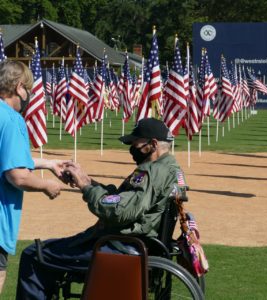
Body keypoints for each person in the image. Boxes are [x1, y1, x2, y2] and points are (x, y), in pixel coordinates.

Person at [16, 117, 188, 299]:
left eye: (135, 143)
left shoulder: (151, 172)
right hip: (136, 243)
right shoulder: (170, 168)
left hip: (121, 246)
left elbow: (120, 212)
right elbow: (123, 199)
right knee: (45, 251)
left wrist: (86, 188)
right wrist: (88, 181)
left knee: (34, 254)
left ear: (153, 144)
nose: (131, 148)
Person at [0, 60, 66, 294]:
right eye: (28, 88)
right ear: (18, 87)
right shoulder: (11, 119)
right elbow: (17, 175)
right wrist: (46, 185)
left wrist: (48, 163)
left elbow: (7, 159)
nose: (29, 94)